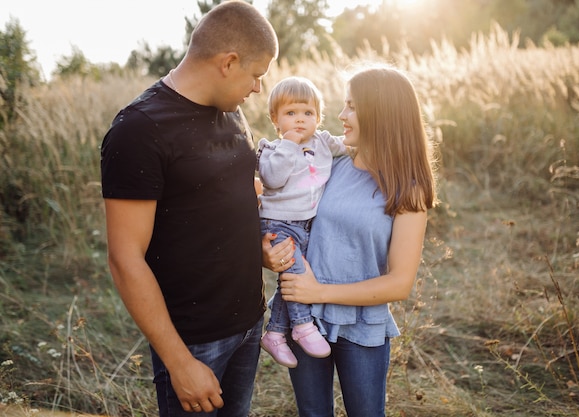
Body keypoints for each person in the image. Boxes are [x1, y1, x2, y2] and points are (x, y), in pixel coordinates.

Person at [100, 2, 279, 416]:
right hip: (194, 341)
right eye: (255, 76)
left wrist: (258, 249)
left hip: (249, 322)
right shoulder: (139, 130)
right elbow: (124, 259)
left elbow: (227, 200)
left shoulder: (231, 112)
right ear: (228, 62)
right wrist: (180, 363)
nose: (257, 88)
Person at [265, 65, 438, 417]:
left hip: (363, 325)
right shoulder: (330, 164)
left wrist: (321, 292)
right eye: (344, 105)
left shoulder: (407, 189)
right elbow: (284, 215)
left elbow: (400, 283)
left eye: (353, 107)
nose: (341, 115)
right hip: (306, 320)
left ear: (381, 113)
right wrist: (267, 252)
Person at [257, 76, 348, 368]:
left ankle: (274, 334)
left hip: (306, 226)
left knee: (290, 278)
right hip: (277, 224)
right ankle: (302, 325)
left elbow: (348, 147)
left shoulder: (323, 141)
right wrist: (289, 145)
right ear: (275, 119)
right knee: (295, 273)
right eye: (291, 113)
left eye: (308, 113)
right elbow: (272, 178)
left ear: (318, 118)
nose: (300, 120)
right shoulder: (271, 150)